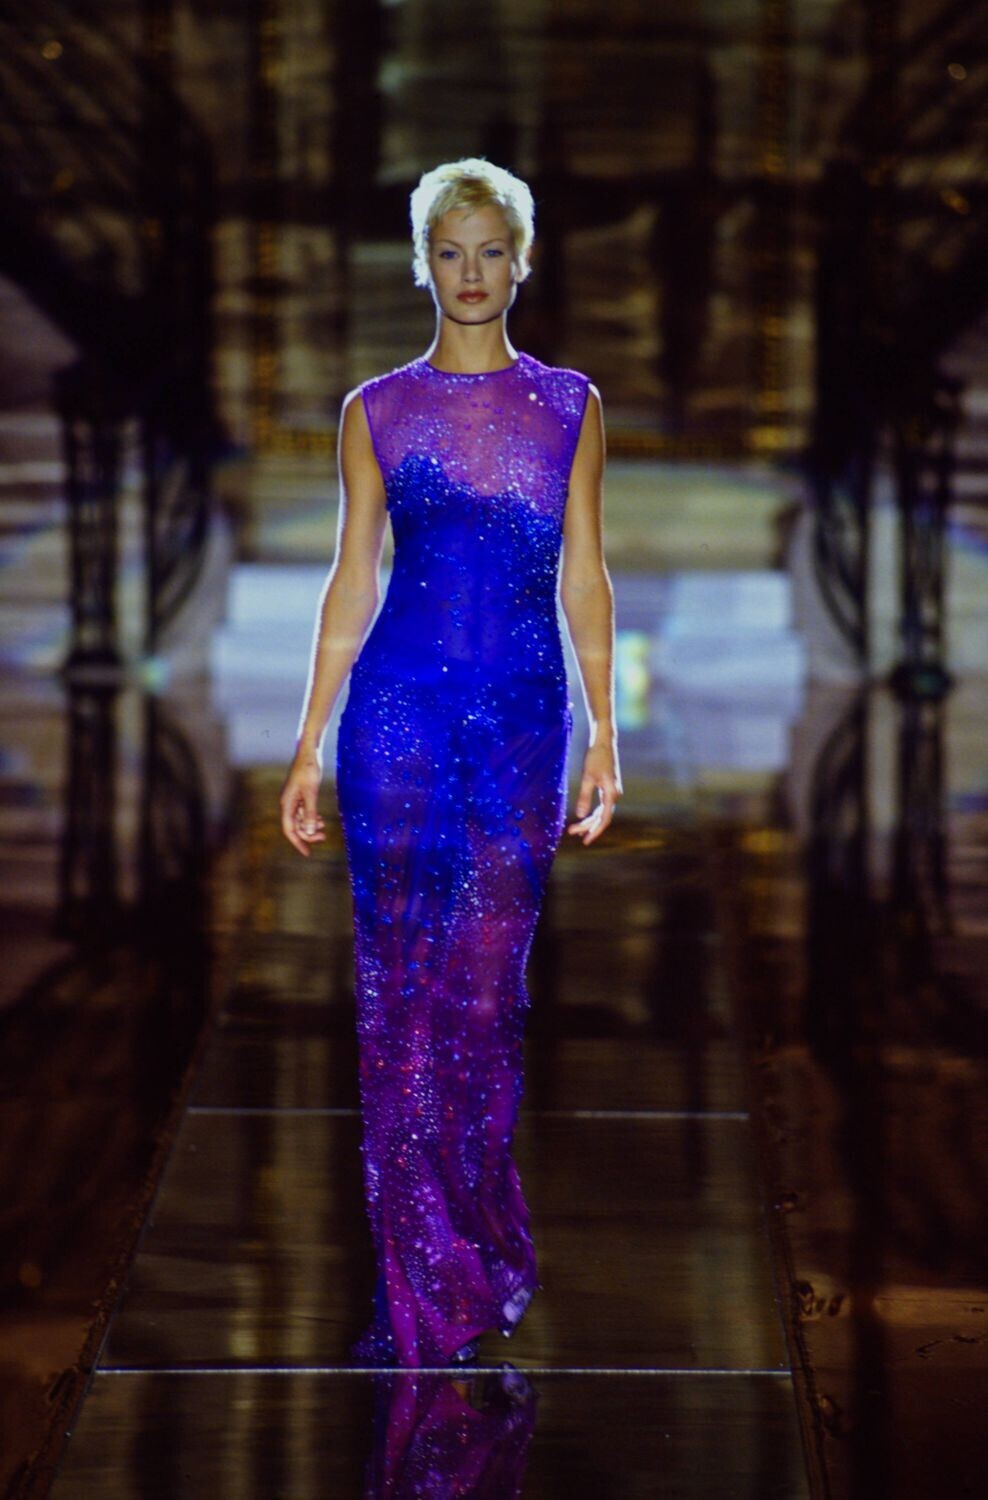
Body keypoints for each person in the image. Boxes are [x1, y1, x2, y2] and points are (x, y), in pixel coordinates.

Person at [280, 157, 621, 1368]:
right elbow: (350, 580)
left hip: (522, 726)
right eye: (448, 252)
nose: (470, 273)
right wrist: (308, 741)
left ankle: (472, 1240)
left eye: (489, 251)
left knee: (484, 991)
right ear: (421, 265)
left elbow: (584, 572)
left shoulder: (570, 404)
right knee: (400, 994)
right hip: (396, 725)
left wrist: (606, 731)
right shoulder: (375, 409)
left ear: (521, 262)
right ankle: (425, 1280)